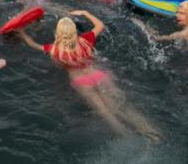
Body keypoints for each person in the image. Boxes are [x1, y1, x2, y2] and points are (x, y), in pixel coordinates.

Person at [16, 11, 161, 141]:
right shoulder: (86, 40)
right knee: (121, 105)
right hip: (98, 74)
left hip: (81, 81)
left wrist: (21, 32)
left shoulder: (54, 49)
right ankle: (150, 132)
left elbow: (32, 44)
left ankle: (127, 137)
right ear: (74, 31)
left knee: (106, 113)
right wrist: (85, 13)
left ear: (58, 33)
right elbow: (100, 25)